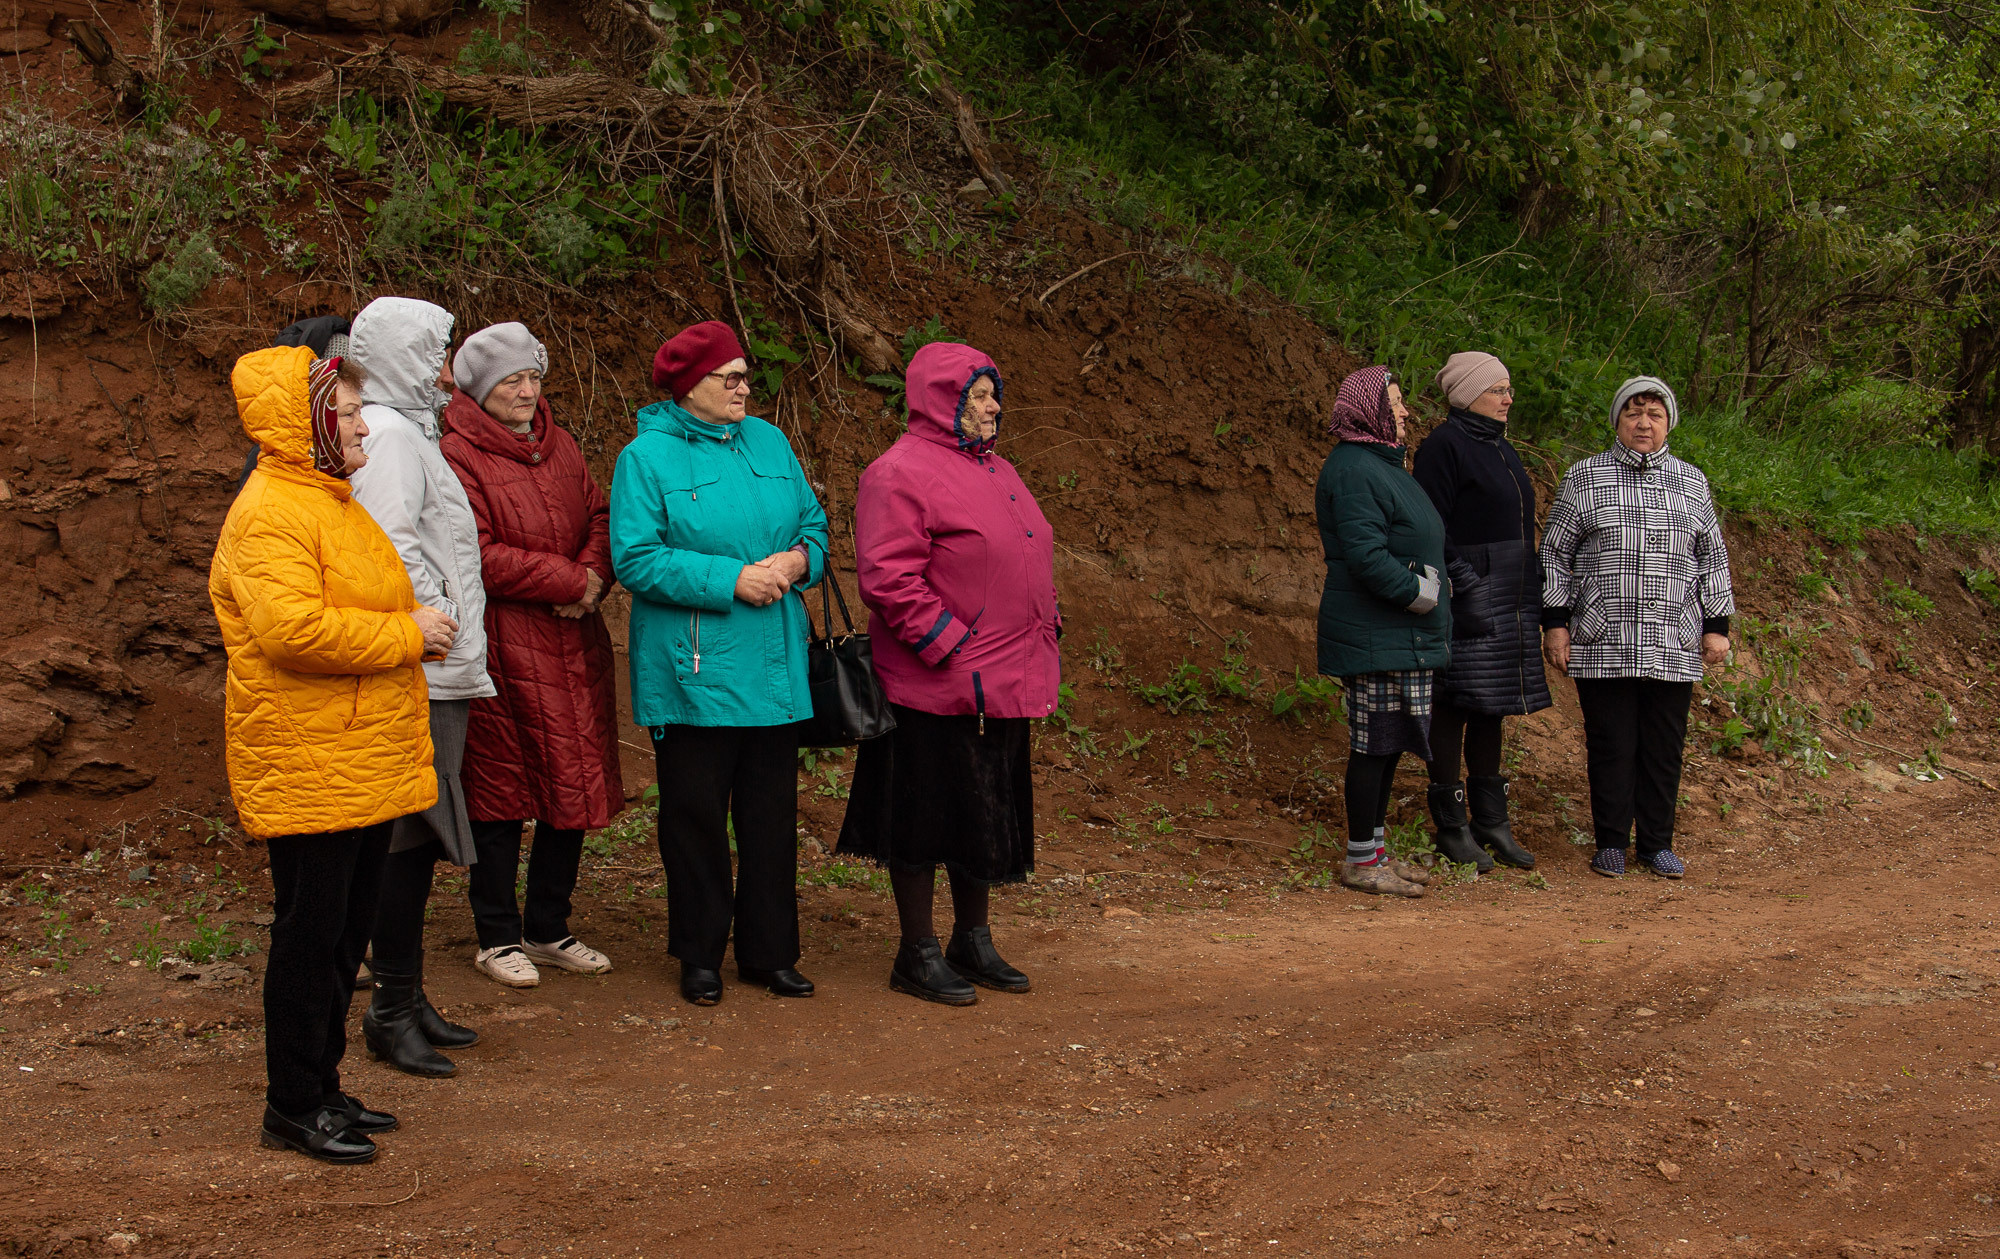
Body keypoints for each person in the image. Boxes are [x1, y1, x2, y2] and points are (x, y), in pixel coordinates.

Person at [210, 345, 457, 1163]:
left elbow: (349, 604)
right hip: (309, 757)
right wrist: (409, 634)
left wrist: (414, 619)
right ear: (308, 421)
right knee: (311, 935)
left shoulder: (329, 500)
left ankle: (325, 1086)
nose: (361, 426)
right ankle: (292, 1103)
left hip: (355, 756)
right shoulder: (271, 511)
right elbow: (294, 632)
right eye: (348, 413)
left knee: (345, 933)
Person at [610, 321, 829, 1006]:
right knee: (695, 817)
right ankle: (699, 953)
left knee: (771, 816)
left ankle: (770, 953)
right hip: (694, 673)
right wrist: (729, 579)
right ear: (687, 387)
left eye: (744, 374)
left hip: (772, 666)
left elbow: (815, 528)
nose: (742, 386)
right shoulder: (645, 458)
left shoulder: (769, 441)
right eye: (726, 376)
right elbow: (636, 558)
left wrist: (798, 561)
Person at [838, 342, 1058, 1006]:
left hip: (999, 682)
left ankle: (973, 937)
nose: (994, 407)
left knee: (981, 810)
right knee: (920, 816)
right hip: (933, 684)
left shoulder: (998, 469)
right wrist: (949, 645)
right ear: (943, 400)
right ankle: (917, 950)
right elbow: (888, 577)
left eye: (994, 394)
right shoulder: (898, 471)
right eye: (979, 396)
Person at [440, 323, 624, 989]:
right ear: (481, 388)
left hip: (574, 642)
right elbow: (476, 551)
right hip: (504, 647)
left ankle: (549, 926)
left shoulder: (562, 445)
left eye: (532, 378)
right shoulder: (458, 455)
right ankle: (496, 934)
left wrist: (594, 573)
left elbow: (601, 516)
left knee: (568, 784)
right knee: (500, 793)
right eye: (510, 380)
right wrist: (567, 580)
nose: (525, 390)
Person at [346, 296, 492, 1076]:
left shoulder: (409, 431)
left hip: (436, 666)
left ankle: (406, 992)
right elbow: (390, 544)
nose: (446, 375)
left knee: (419, 840)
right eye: (436, 356)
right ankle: (389, 1008)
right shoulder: (396, 436)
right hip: (421, 669)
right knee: (407, 839)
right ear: (403, 357)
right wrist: (436, 619)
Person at [1540, 376, 1733, 879]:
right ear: (1617, 420)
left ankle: (1655, 843)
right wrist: (1556, 623)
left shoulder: (1692, 482)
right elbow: (1555, 556)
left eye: (1654, 414)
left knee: (1663, 745)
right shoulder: (1584, 477)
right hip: (1604, 635)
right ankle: (1609, 842)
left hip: (1673, 634)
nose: (1643, 423)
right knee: (1611, 743)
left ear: (1668, 423)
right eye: (1633, 413)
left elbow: (1712, 559)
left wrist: (1717, 626)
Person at [1315, 364, 1452, 897]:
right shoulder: (1353, 469)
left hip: (1397, 634)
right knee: (1372, 747)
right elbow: (1366, 556)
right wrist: (1419, 590)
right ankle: (1359, 861)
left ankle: (1375, 853)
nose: (1405, 411)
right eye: (1394, 402)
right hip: (1377, 633)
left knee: (1388, 743)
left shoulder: (1382, 464)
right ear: (1369, 409)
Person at [1412, 351, 1549, 872]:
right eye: (1498, 390)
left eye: (1508, 389)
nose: (1508, 399)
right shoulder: (1445, 446)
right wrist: (1466, 584)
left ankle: (1492, 821)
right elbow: (1430, 528)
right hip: (1471, 595)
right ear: (1468, 394)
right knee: (1455, 705)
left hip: (1510, 596)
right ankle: (1452, 826)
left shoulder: (1501, 448)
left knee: (1493, 705)